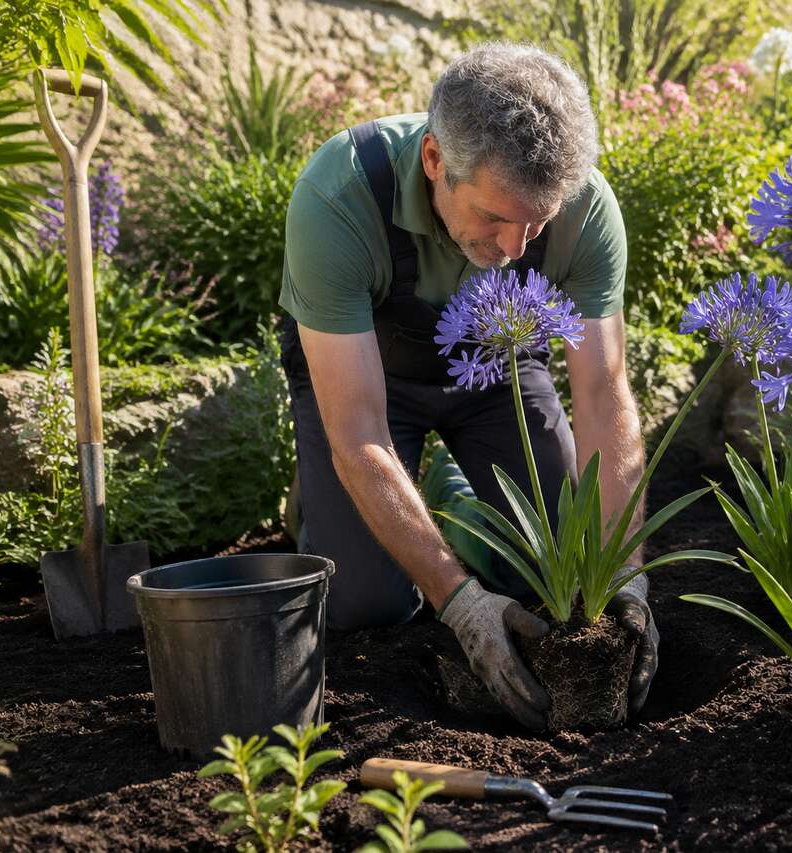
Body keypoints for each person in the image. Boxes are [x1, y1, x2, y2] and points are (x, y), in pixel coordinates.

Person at [276, 43, 656, 730]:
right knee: (369, 605)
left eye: (536, 222)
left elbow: (603, 394)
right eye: (493, 217)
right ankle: (323, 496)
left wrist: (626, 573)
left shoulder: (586, 209)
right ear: (433, 162)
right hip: (372, 387)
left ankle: (445, 494)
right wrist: (461, 605)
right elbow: (359, 430)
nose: (515, 247)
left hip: (499, 378)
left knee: (556, 575)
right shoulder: (339, 196)